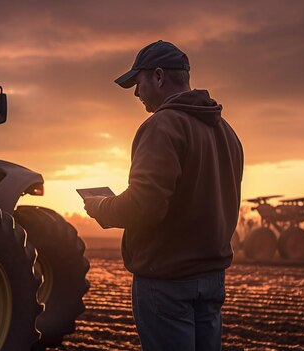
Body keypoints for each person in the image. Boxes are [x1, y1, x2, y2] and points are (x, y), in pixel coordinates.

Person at [83, 40, 244, 350]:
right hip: (211, 279)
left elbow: (145, 205)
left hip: (167, 281)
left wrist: (100, 206)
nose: (136, 93)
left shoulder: (162, 125)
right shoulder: (226, 131)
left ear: (158, 77)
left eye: (138, 82)